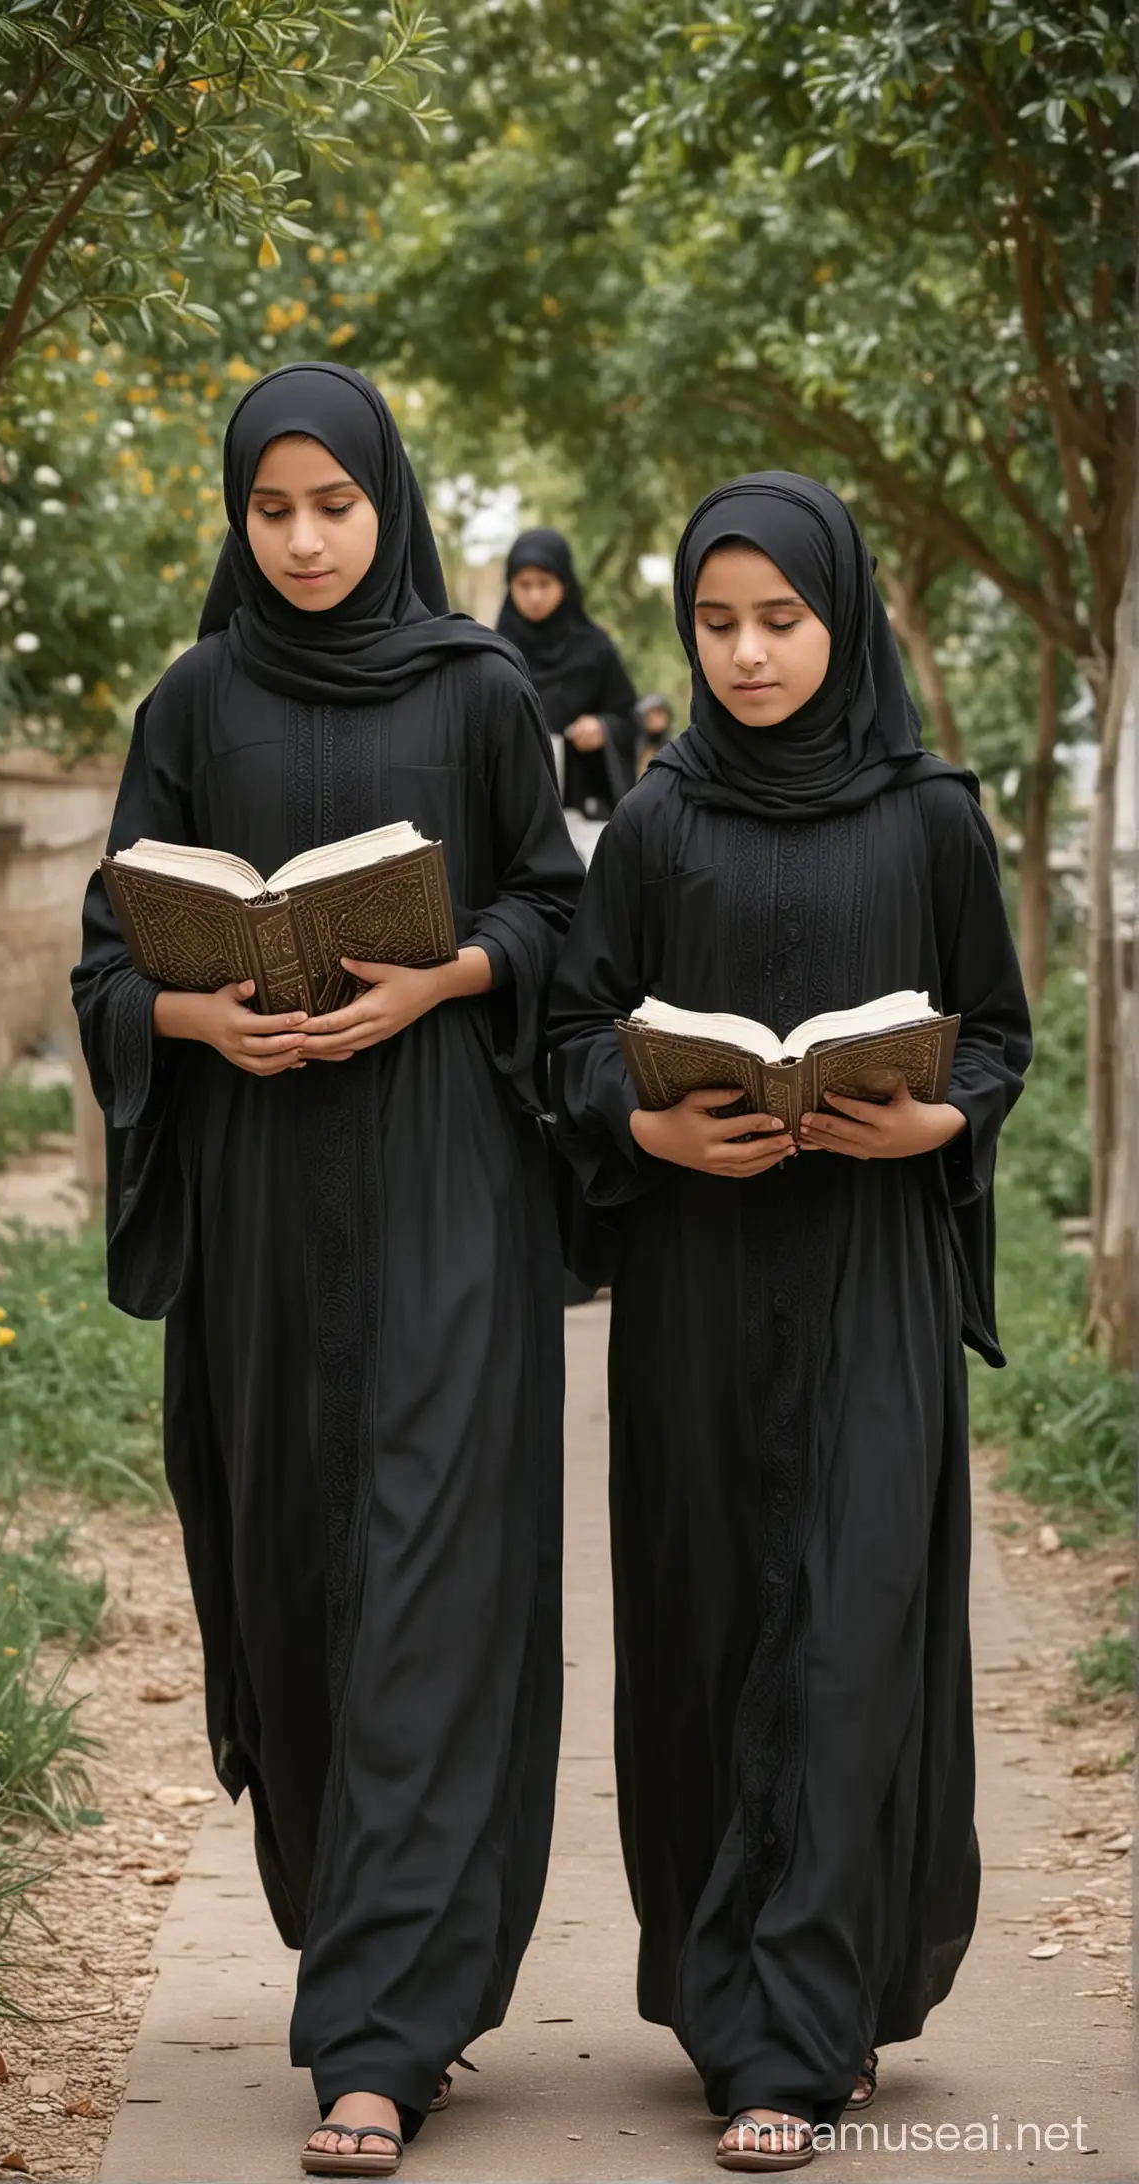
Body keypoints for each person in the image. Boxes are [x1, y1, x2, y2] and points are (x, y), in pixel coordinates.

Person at [72, 364, 584, 2178]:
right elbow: (103, 957)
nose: (300, 538)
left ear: (389, 501)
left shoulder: (478, 687)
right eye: (269, 507)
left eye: (333, 505)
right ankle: (362, 1942)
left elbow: (551, 909)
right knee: (298, 1582)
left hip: (447, 1183)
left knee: (429, 1581)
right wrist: (194, 1008)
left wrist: (447, 975)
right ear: (239, 512)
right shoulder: (190, 698)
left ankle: (375, 2034)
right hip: (266, 1201)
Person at [548, 473, 1031, 2173]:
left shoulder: (928, 820)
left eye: (779, 616)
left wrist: (937, 1120)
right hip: (692, 1283)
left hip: (867, 1276)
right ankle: (723, 1993)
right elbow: (573, 1034)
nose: (746, 652)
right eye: (714, 620)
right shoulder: (661, 820)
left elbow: (992, 1035)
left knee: (842, 1635)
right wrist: (642, 1117)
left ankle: (796, 2032)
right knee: (703, 1629)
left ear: (841, 617)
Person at [496, 526, 638, 863]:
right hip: (516, 819)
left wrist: (602, 728)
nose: (534, 597)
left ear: (565, 583)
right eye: (523, 585)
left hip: (586, 813)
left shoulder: (596, 650)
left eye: (544, 584)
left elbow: (629, 719)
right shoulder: (496, 652)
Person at [634, 691, 675, 774]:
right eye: (655, 713)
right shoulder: (631, 748)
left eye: (661, 713)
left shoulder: (672, 749)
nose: (660, 719)